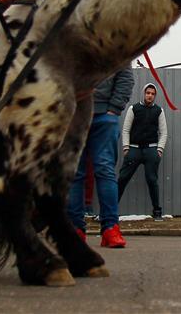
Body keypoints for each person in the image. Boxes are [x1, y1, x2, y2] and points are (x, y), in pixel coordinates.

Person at [68, 66, 134, 248]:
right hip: (74, 115)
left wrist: (114, 108)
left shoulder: (114, 40)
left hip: (104, 116)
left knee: (104, 171)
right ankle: (76, 229)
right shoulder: (70, 40)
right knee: (75, 174)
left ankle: (110, 228)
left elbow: (125, 76)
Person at [117, 83, 168, 221]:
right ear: (144, 93)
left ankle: (157, 211)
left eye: (152, 94)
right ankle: (109, 211)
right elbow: (126, 130)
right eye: (148, 93)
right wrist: (126, 147)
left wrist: (159, 149)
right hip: (134, 149)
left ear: (155, 96)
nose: (150, 95)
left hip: (151, 150)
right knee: (122, 179)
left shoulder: (159, 111)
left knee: (152, 180)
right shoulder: (134, 108)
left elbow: (164, 133)